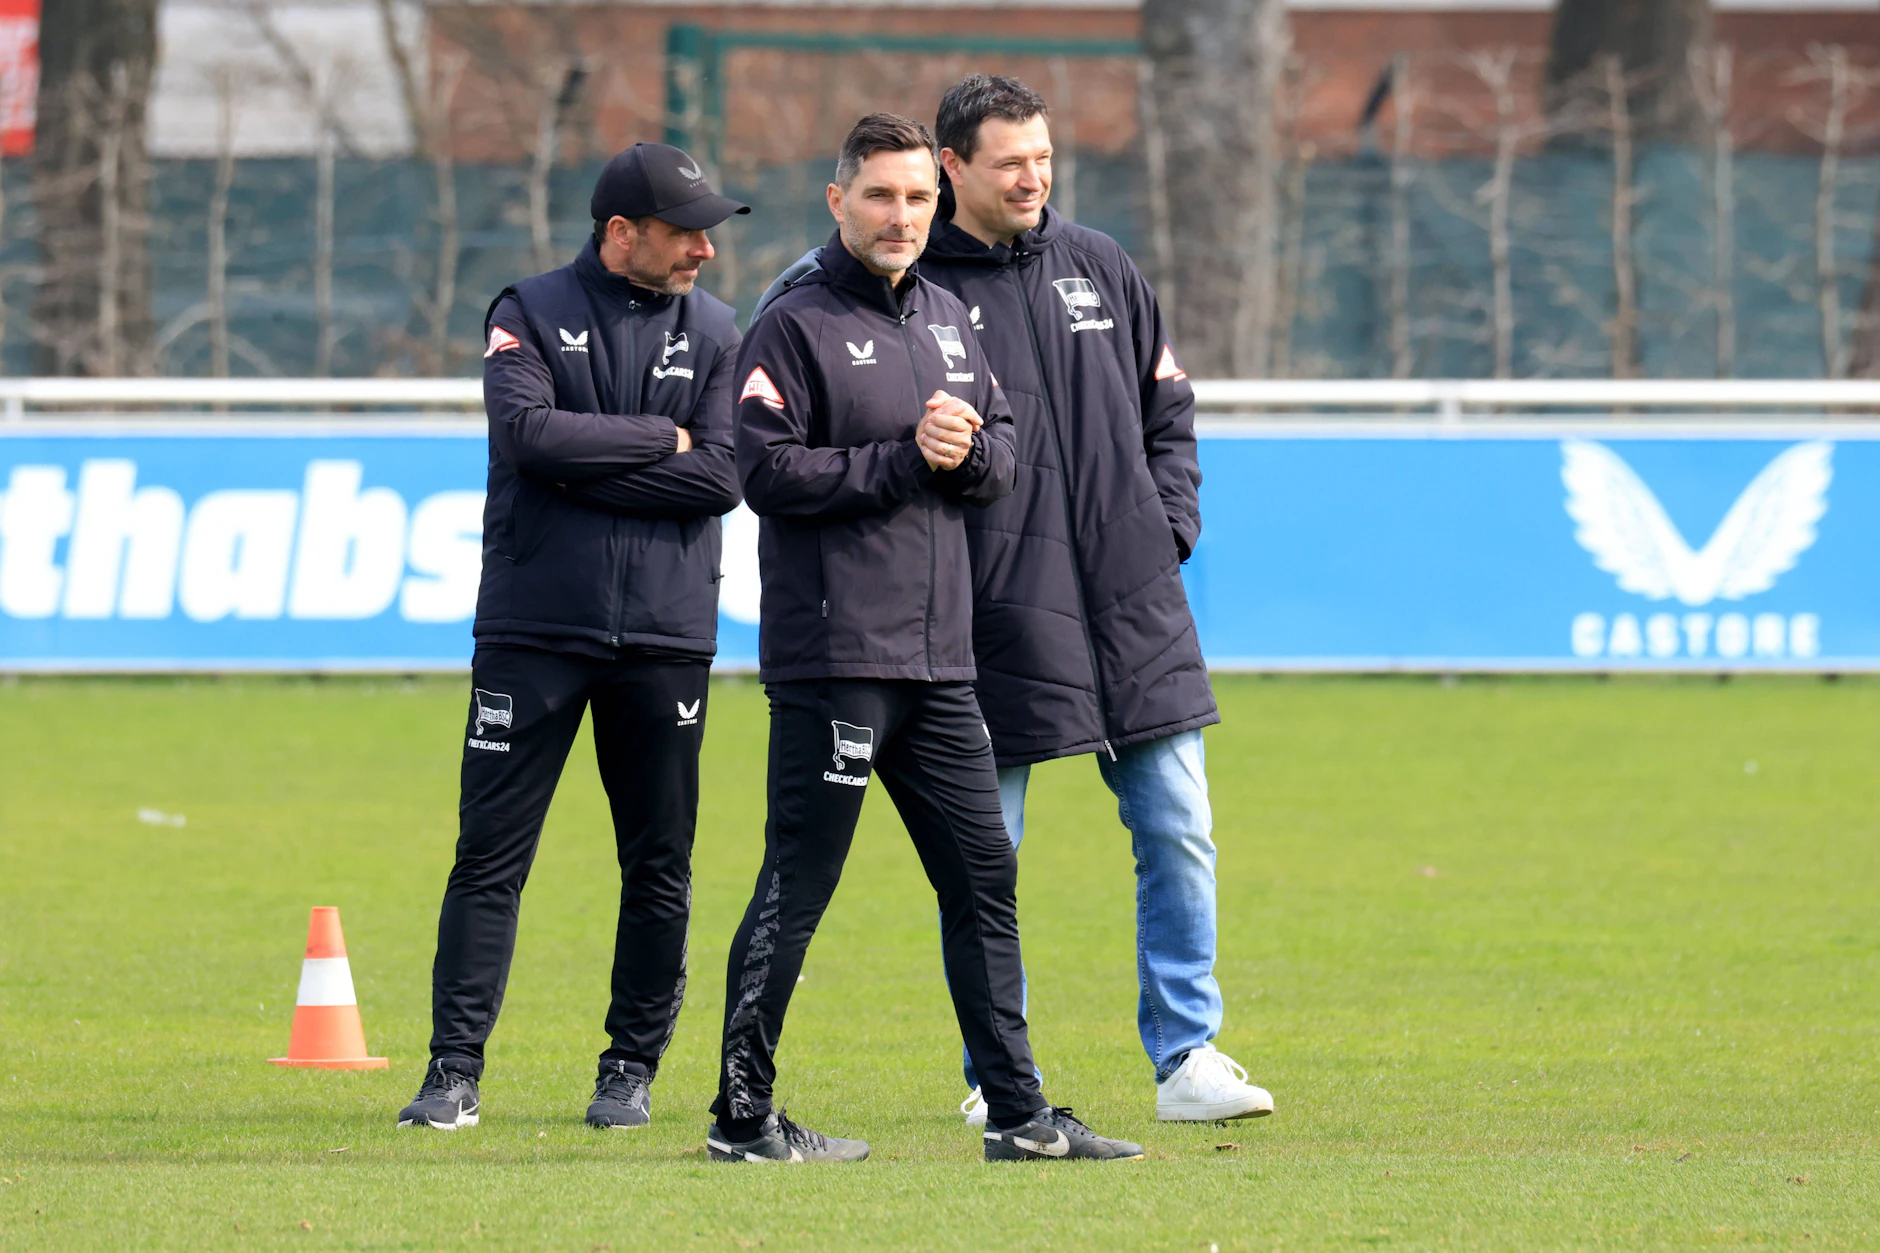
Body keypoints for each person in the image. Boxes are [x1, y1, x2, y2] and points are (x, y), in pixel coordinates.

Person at [707, 113, 1143, 1165]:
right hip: (836, 661)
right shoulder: (792, 320)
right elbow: (765, 474)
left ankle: (1018, 1115)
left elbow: (1000, 454)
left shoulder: (949, 316)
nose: (901, 215)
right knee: (798, 882)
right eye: (879, 196)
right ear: (837, 201)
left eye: (915, 198)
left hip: (942, 661)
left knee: (983, 879)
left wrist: (962, 454)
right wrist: (906, 458)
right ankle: (740, 1117)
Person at [922, 75, 1274, 1125]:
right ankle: (999, 1075)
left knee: (1178, 828)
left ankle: (1187, 1058)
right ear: (952, 167)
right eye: (1007, 161)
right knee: (987, 853)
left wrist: (1164, 526)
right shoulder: (918, 292)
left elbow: (1169, 408)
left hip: (1130, 604)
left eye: (1040, 156)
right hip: (994, 611)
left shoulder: (1100, 266)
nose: (1032, 176)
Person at [398, 143, 748, 1132]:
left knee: (658, 860)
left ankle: (629, 1069)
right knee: (489, 854)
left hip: (666, 636)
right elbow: (528, 439)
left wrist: (591, 452)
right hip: (534, 629)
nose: (703, 254)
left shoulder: (719, 330)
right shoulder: (528, 308)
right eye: (686, 233)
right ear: (620, 231)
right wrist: (658, 438)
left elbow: (722, 474)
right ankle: (452, 1071)